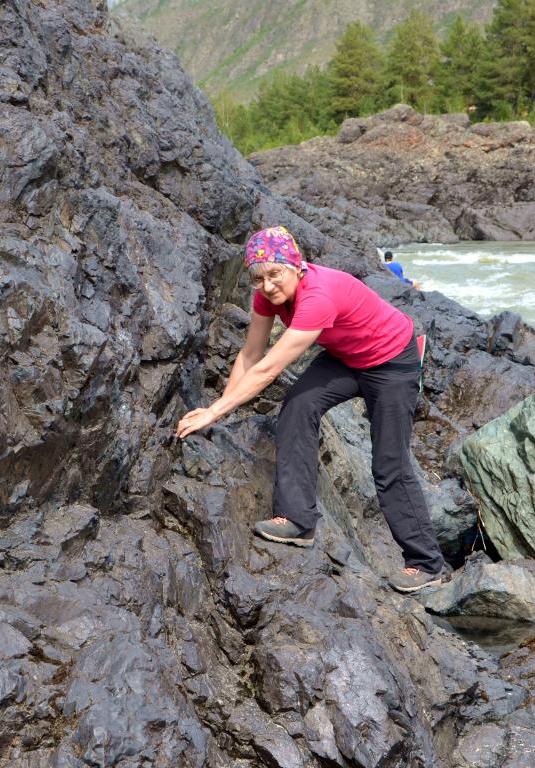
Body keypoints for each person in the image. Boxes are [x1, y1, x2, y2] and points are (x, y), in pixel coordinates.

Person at [175, 227, 446, 593]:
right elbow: (250, 354)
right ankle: (298, 520)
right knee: (298, 405)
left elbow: (268, 370)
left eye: (275, 274)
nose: (267, 285)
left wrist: (214, 413)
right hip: (347, 357)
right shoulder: (267, 297)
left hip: (392, 361)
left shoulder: (318, 296)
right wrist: (216, 408)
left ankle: (426, 564)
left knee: (389, 465)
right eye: (258, 278)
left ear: (295, 266)